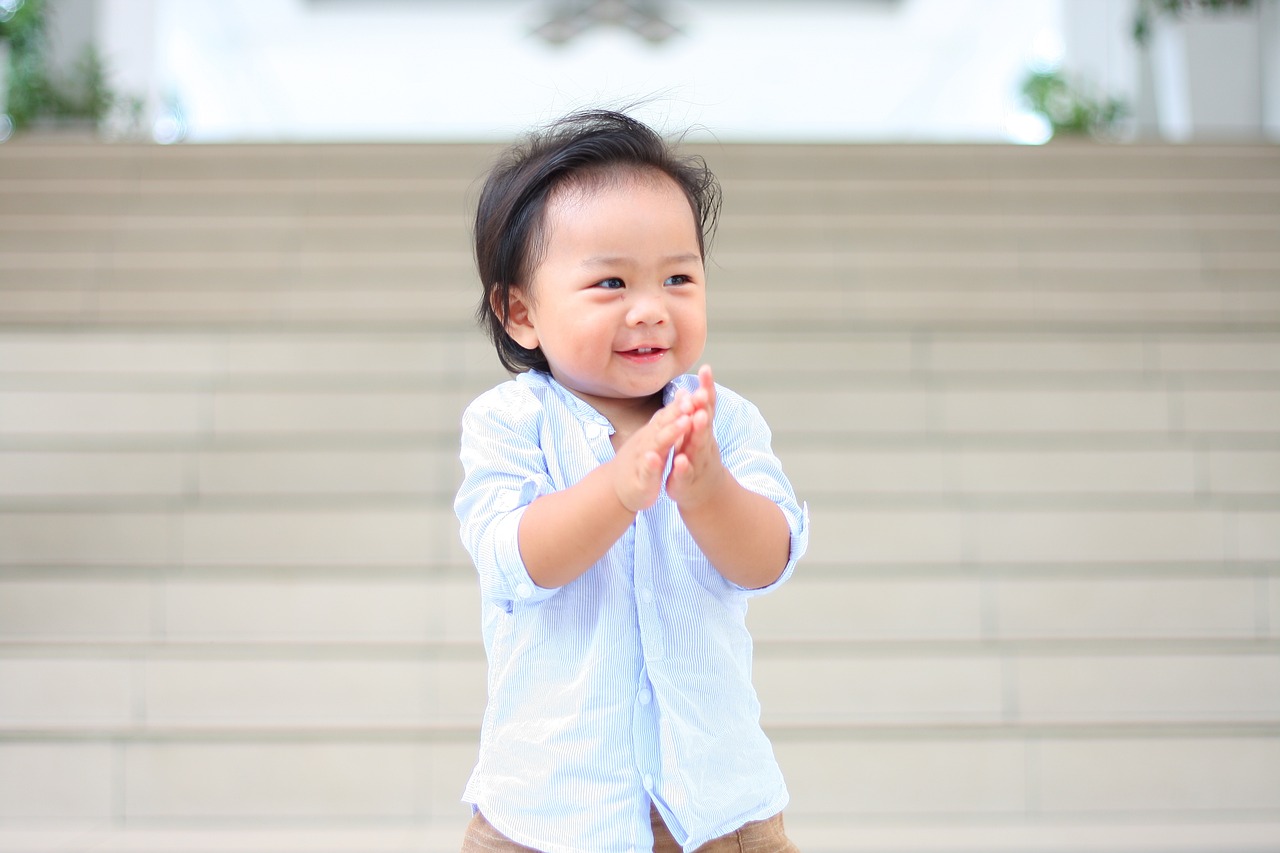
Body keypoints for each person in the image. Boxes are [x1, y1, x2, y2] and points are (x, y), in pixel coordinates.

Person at [454, 109, 809, 853]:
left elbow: (766, 559)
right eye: (611, 281)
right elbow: (517, 559)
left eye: (678, 277)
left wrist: (708, 488)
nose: (651, 308)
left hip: (718, 812)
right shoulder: (509, 424)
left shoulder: (722, 421)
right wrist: (619, 486)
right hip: (549, 815)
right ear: (520, 312)